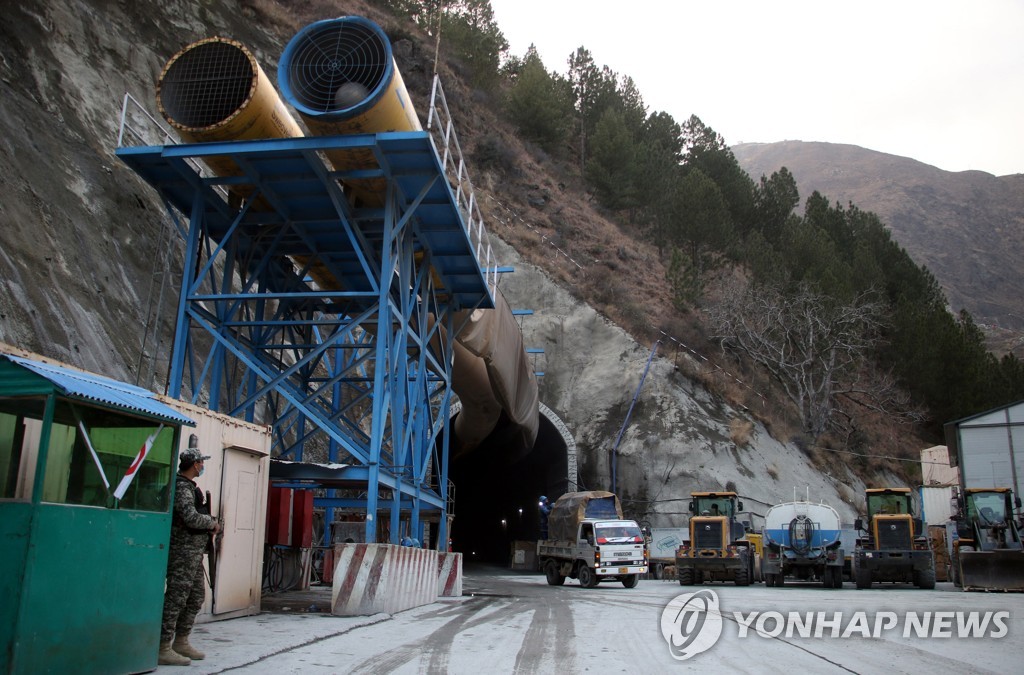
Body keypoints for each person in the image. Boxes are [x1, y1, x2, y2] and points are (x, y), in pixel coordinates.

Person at [158, 446, 221, 666]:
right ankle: (163, 645)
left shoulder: (191, 487)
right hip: (182, 552)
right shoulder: (182, 487)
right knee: (176, 597)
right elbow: (190, 517)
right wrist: (211, 523)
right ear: (195, 464)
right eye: (201, 462)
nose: (203, 465)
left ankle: (181, 640)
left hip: (193, 553)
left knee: (195, 597)